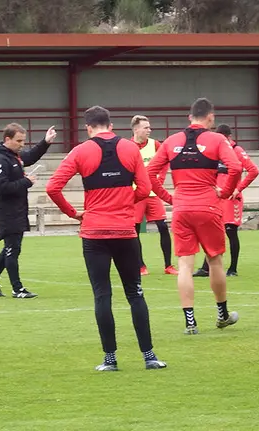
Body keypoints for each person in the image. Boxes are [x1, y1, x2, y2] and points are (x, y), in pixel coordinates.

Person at [46, 106, 166, 371]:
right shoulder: (130, 148)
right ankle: (149, 356)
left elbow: (52, 187)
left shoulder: (80, 151)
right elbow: (145, 189)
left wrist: (74, 213)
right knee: (135, 293)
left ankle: (110, 360)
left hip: (94, 233)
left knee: (102, 296)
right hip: (125, 232)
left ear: (88, 128)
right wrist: (125, 201)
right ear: (110, 125)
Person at [146, 98, 242, 334]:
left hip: (182, 208)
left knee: (185, 265)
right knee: (215, 260)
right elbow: (236, 168)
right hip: (208, 206)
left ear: (190, 117)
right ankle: (222, 314)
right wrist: (226, 192)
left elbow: (149, 172)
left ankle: (190, 322)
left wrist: (169, 198)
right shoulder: (217, 139)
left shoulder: (171, 141)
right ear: (210, 117)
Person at [0, 123, 57, 299]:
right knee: (12, 250)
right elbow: (1, 187)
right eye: (19, 141)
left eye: (23, 140)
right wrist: (26, 182)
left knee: (10, 248)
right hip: (6, 211)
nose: (22, 144)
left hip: (17, 209)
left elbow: (29, 157)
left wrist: (45, 142)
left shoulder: (13, 156)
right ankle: (17, 288)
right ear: (7, 139)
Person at [194, 124, 259, 277]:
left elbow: (253, 170)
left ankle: (233, 268)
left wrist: (238, 189)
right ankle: (205, 267)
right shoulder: (217, 152)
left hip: (231, 199)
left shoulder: (237, 151)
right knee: (212, 231)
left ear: (229, 137)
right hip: (217, 197)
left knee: (231, 231)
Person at [130, 115, 177, 276]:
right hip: (136, 194)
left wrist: (160, 179)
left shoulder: (155, 145)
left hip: (153, 194)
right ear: (136, 129)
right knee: (134, 230)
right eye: (146, 127)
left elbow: (165, 162)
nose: (149, 130)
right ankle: (140, 265)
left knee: (163, 227)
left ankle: (168, 265)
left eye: (149, 127)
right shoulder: (127, 146)